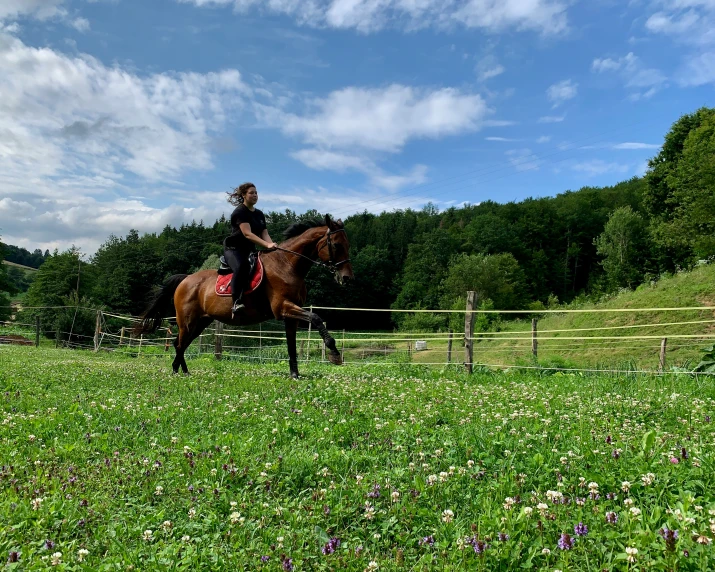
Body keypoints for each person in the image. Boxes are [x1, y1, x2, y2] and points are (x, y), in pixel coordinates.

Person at [224, 182, 278, 316]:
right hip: (234, 249)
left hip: (249, 250)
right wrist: (266, 245)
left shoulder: (259, 214)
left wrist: (273, 247)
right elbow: (247, 234)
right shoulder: (240, 212)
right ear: (243, 195)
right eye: (251, 193)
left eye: (256, 193)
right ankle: (236, 302)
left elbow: (264, 233)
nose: (255, 195)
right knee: (242, 266)